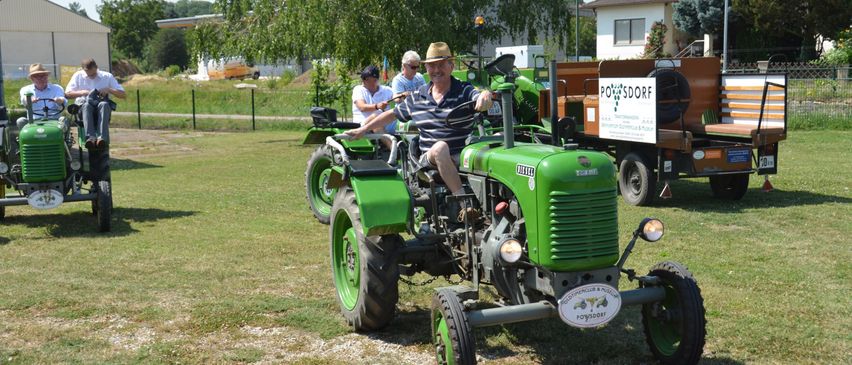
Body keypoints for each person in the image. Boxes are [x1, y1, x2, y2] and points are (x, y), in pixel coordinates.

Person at [346, 42, 492, 216]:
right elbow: (392, 114)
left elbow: (481, 95)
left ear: (451, 66)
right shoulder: (418, 96)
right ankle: (464, 204)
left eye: (441, 64)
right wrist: (363, 129)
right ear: (426, 69)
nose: (436, 70)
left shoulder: (464, 90)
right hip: (430, 158)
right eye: (432, 66)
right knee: (440, 148)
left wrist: (485, 95)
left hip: (462, 155)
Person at [65, 58, 126, 149]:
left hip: (101, 108)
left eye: (93, 73)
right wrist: (82, 92)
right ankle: (90, 138)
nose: (91, 76)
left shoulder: (107, 76)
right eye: (88, 74)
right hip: (83, 109)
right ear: (83, 70)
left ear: (96, 67)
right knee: (86, 105)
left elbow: (123, 94)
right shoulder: (77, 76)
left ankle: (102, 139)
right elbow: (67, 94)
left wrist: (109, 90)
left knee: (104, 104)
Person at [16, 64, 66, 129]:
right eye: (37, 76)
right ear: (32, 78)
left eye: (43, 76)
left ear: (47, 76)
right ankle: (24, 138)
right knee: (20, 121)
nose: (41, 79)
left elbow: (62, 100)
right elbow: (24, 100)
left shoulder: (57, 88)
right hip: (33, 121)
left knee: (63, 120)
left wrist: (58, 100)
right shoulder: (26, 89)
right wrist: (30, 100)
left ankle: (64, 138)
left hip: (54, 119)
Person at [389, 50, 426, 133]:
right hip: (405, 115)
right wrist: (403, 95)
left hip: (419, 112)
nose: (416, 69)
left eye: (417, 66)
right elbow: (396, 99)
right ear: (404, 66)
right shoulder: (398, 80)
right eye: (413, 67)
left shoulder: (419, 77)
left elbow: (426, 94)